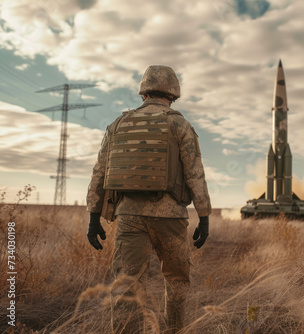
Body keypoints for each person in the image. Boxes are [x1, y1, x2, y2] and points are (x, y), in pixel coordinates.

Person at [86, 65, 211, 333]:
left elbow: (100, 171)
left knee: (127, 284)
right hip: (171, 217)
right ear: (173, 94)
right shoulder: (180, 124)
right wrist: (204, 217)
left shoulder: (118, 124)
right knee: (177, 280)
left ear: (143, 92)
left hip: (129, 215)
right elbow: (194, 174)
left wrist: (93, 217)